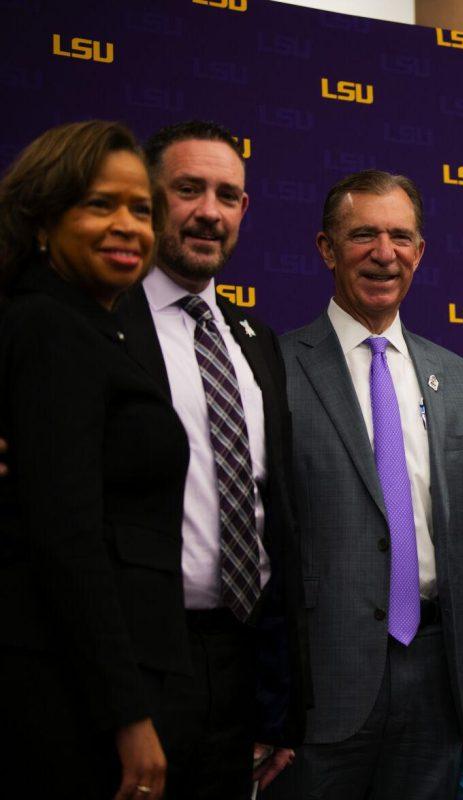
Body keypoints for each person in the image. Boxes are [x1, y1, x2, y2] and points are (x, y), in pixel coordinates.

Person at [280, 170, 463, 798]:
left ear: (421, 251)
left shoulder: (459, 378)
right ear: (327, 248)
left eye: (401, 237)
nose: (385, 254)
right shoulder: (275, 369)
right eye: (363, 236)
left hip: (438, 677)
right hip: (321, 681)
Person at [115, 120, 308, 796]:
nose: (209, 212)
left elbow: (273, 521)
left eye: (227, 195)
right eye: (188, 190)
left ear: (244, 211)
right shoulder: (100, 324)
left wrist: (281, 704)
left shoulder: (257, 343)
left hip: (241, 666)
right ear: (149, 199)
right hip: (136, 663)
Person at [0, 120, 187, 799]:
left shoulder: (90, 327)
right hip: (67, 694)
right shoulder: (49, 328)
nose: (128, 227)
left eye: (142, 210)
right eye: (99, 204)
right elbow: (67, 539)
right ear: (44, 219)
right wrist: (127, 715)